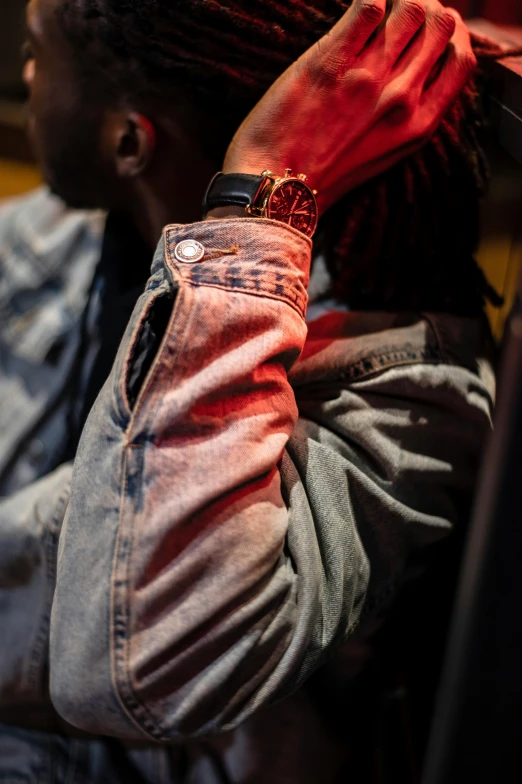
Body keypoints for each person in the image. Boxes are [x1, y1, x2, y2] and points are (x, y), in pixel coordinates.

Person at [0, 0, 496, 781]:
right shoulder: (58, 238)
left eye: (36, 51)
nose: (27, 72)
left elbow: (130, 671)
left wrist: (265, 193)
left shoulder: (401, 398)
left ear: (127, 140)